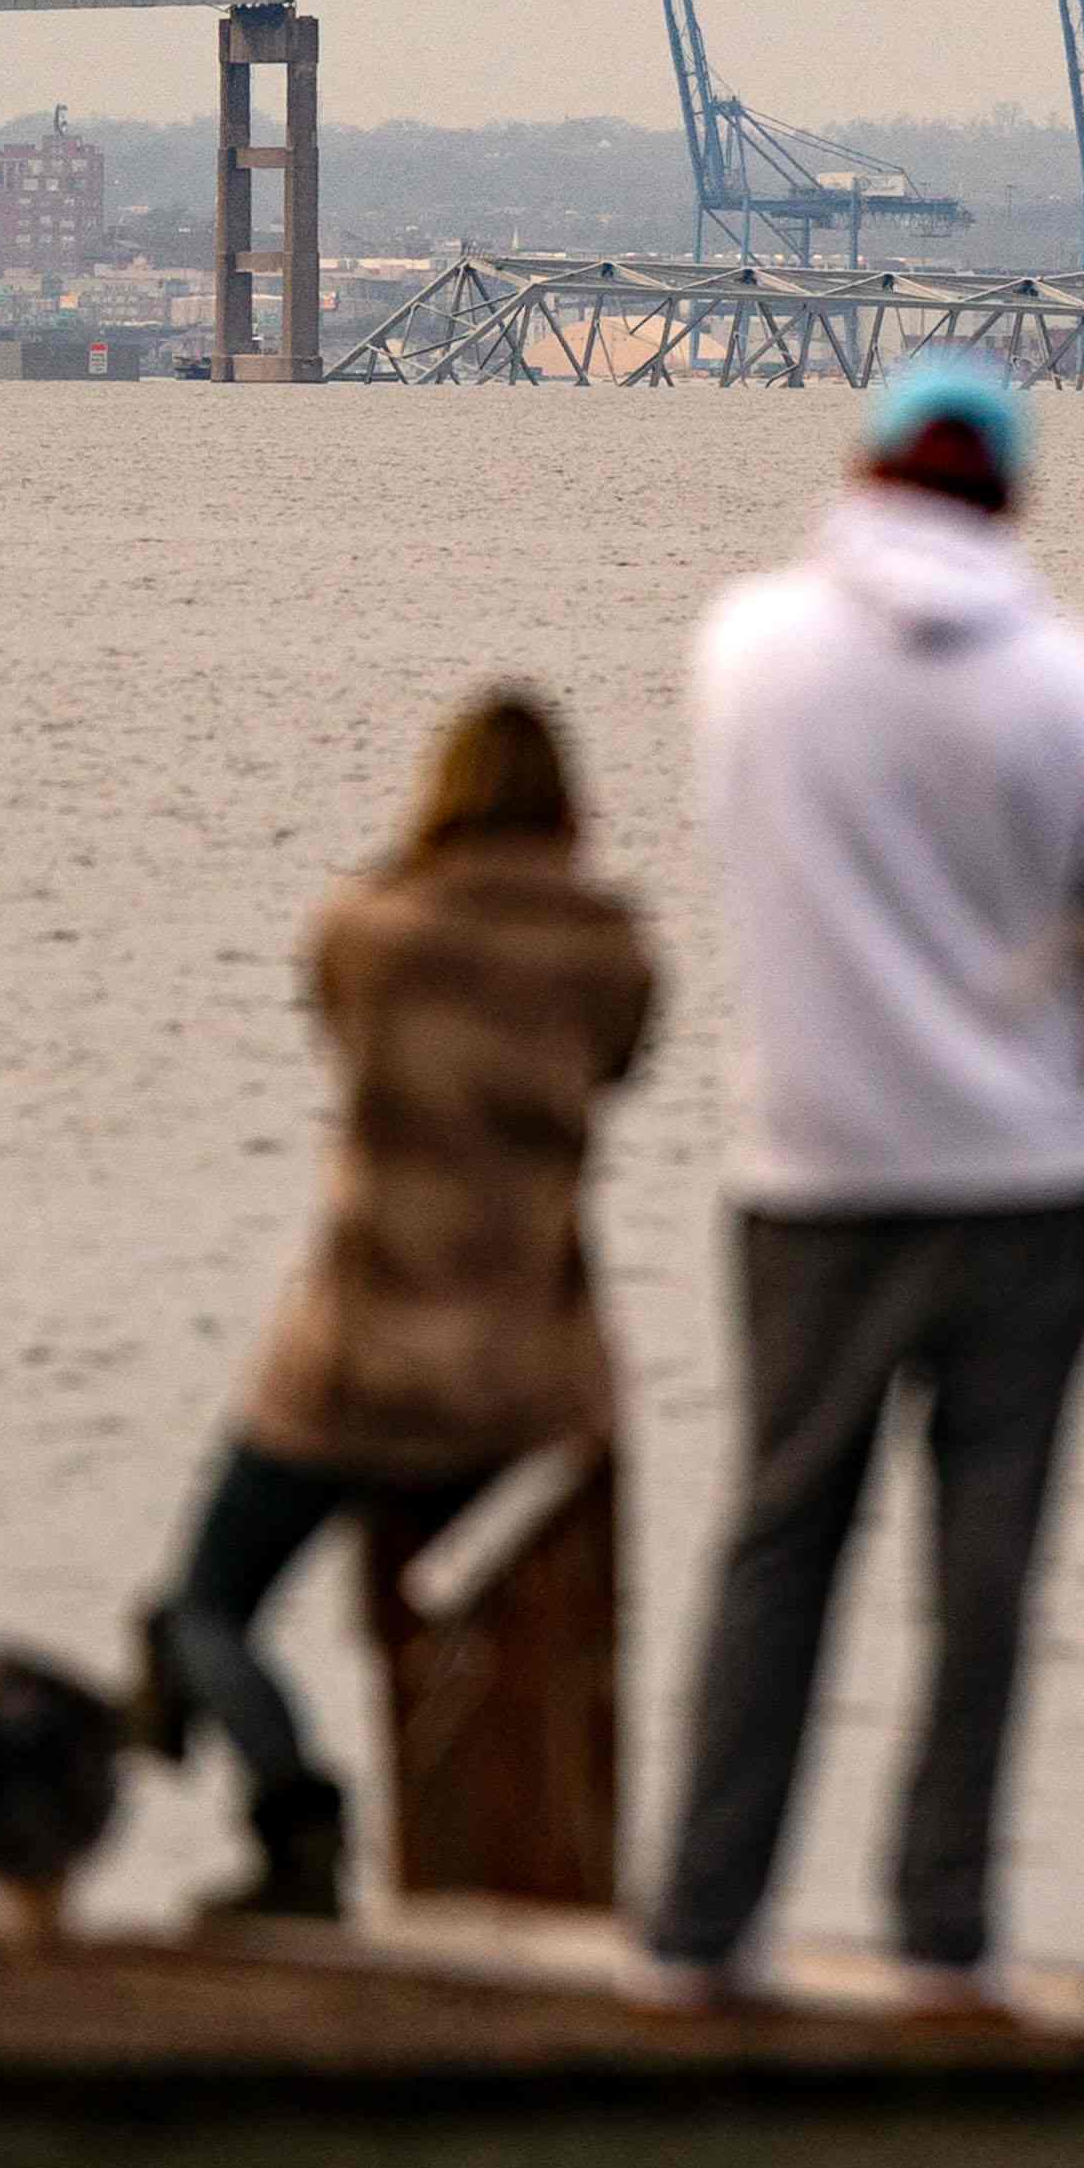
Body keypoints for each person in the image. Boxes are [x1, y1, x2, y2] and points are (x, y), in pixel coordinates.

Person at [641, 351, 1084, 2009]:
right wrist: (1075, 911)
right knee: (983, 1577)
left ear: (861, 463)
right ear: (1017, 492)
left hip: (811, 1178)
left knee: (779, 1545)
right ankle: (944, 1932)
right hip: (1028, 1185)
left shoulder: (746, 648)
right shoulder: (1070, 686)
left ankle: (701, 1927)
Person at [140, 690, 657, 1922]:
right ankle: (534, 1889)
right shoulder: (611, 955)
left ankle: (292, 1813)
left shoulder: (370, 935)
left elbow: (334, 1006)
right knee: (501, 1654)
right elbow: (626, 1055)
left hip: (357, 1363)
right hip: (523, 1376)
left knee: (202, 1605)